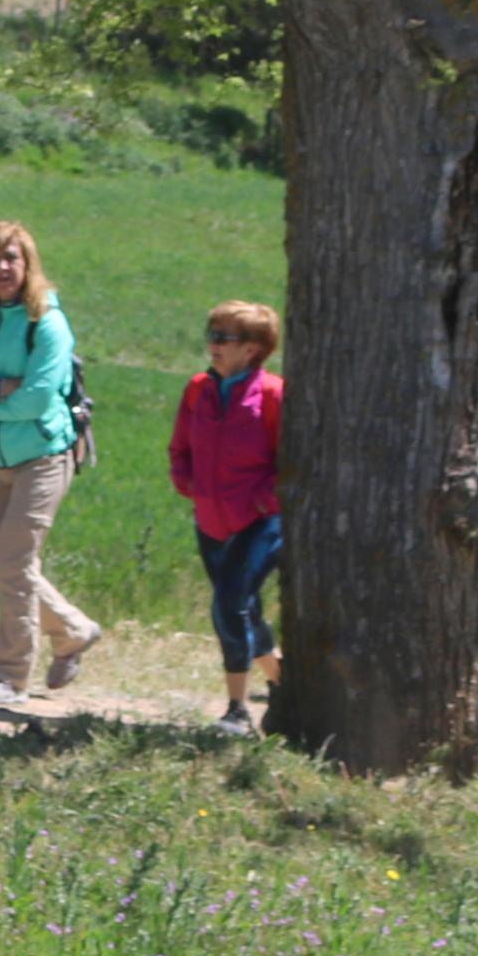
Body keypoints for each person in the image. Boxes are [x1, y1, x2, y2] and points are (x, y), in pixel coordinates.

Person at [0, 220, 101, 708]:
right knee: (0, 563)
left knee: (13, 562)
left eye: (10, 258)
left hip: (43, 455)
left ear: (28, 264)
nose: (1, 269)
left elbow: (35, 400)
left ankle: (10, 677)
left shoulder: (46, 323)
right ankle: (74, 630)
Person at [166, 300, 284, 735]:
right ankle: (282, 682)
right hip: (210, 519)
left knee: (228, 604)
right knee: (244, 609)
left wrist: (260, 502)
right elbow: (180, 447)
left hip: (260, 521)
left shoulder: (272, 394)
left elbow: (288, 461)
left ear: (253, 349)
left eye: (224, 338)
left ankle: (237, 710)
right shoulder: (198, 389)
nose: (213, 345)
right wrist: (187, 481)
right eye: (212, 334)